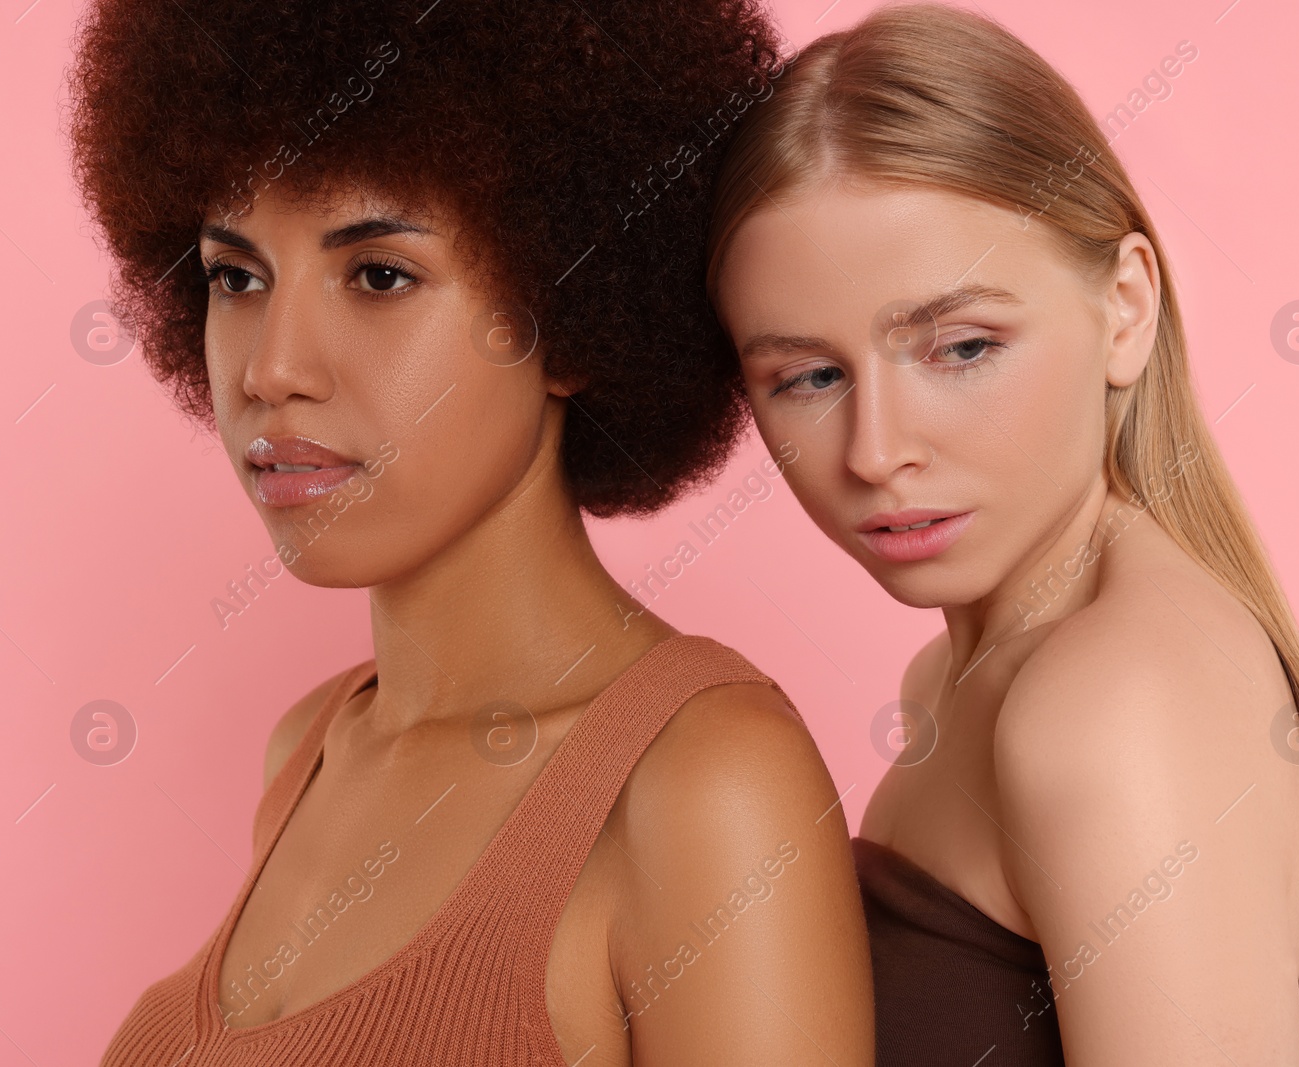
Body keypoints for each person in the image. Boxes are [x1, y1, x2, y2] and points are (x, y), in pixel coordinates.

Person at [66, 2, 873, 1063]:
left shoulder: (703, 787)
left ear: (572, 312)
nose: (270, 369)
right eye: (236, 277)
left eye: (379, 275)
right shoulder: (308, 751)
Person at [706, 4, 1299, 1064]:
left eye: (960, 347)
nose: (875, 449)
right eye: (809, 377)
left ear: (1125, 306)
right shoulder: (955, 676)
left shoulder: (1107, 704)